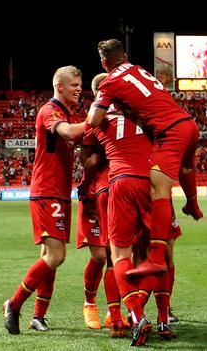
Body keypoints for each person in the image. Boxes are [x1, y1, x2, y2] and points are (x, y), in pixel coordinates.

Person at [88, 39, 202, 278]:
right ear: (125, 55)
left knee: (157, 186)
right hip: (189, 125)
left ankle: (157, 257)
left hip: (169, 131)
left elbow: (93, 121)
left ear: (103, 62)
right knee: (187, 168)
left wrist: (102, 102)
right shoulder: (139, 69)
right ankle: (193, 204)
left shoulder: (109, 82)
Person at [2, 66, 86, 335]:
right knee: (56, 255)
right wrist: (97, 119)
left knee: (49, 256)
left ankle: (38, 316)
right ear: (59, 86)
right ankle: (14, 304)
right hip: (47, 191)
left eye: (80, 84)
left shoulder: (67, 113)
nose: (78, 88)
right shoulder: (49, 111)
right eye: (73, 84)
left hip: (59, 192)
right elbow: (71, 133)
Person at [87, 73, 163, 345]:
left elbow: (88, 157)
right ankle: (158, 314)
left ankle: (131, 315)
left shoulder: (98, 122)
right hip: (149, 186)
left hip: (116, 185)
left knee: (117, 256)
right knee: (149, 255)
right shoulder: (144, 118)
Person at [76, 128, 129, 337]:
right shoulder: (97, 123)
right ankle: (89, 304)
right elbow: (91, 159)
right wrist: (86, 184)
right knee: (100, 256)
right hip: (94, 194)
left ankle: (112, 312)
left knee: (114, 257)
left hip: (114, 190)